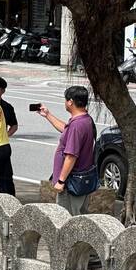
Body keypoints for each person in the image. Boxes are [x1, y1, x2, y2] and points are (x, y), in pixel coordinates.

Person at [39, 86, 97, 215]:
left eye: (65, 100)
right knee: (79, 215)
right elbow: (66, 129)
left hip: (72, 183)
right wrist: (48, 115)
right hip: (81, 179)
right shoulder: (85, 120)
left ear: (70, 102)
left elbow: (71, 156)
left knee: (67, 218)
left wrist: (61, 181)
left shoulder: (77, 125)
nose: (65, 103)